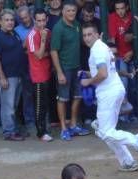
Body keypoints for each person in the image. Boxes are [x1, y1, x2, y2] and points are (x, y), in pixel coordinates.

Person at [80, 22, 138, 172]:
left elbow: (103, 74)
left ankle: (135, 141)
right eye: (84, 35)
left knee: (105, 131)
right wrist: (89, 74)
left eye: (90, 34)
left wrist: (88, 81)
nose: (87, 38)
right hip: (114, 90)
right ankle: (127, 161)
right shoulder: (102, 47)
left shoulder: (97, 50)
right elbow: (104, 71)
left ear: (97, 35)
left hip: (107, 93)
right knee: (104, 130)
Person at [51, 1, 90, 141]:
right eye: (68, 11)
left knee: (78, 96)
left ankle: (73, 124)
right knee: (63, 98)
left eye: (73, 10)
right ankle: (63, 128)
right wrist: (59, 72)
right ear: (63, 12)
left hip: (77, 67)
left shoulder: (77, 25)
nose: (71, 13)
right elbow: (54, 51)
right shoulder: (58, 28)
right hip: (64, 68)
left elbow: (83, 42)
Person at [0, 8, 27, 141]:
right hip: (7, 77)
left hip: (18, 75)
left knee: (13, 105)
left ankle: (13, 130)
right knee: (8, 106)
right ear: (0, 21)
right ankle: (9, 132)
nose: (10, 22)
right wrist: (1, 77)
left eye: (12, 20)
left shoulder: (14, 34)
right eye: (6, 20)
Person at [27, 8, 53, 141]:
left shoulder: (48, 32)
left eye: (43, 20)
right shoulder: (32, 35)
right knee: (39, 105)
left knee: (46, 103)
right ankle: (41, 132)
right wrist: (43, 39)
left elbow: (51, 52)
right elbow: (40, 55)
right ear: (34, 20)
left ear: (47, 19)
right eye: (38, 21)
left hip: (48, 72)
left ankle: (46, 128)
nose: (41, 23)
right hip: (38, 75)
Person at [15, 5, 36, 135]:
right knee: (27, 95)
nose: (25, 20)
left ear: (31, 15)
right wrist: (29, 40)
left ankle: (43, 120)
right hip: (25, 66)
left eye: (26, 17)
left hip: (40, 65)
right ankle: (30, 122)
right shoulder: (17, 30)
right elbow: (18, 50)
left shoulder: (39, 24)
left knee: (41, 94)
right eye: (22, 18)